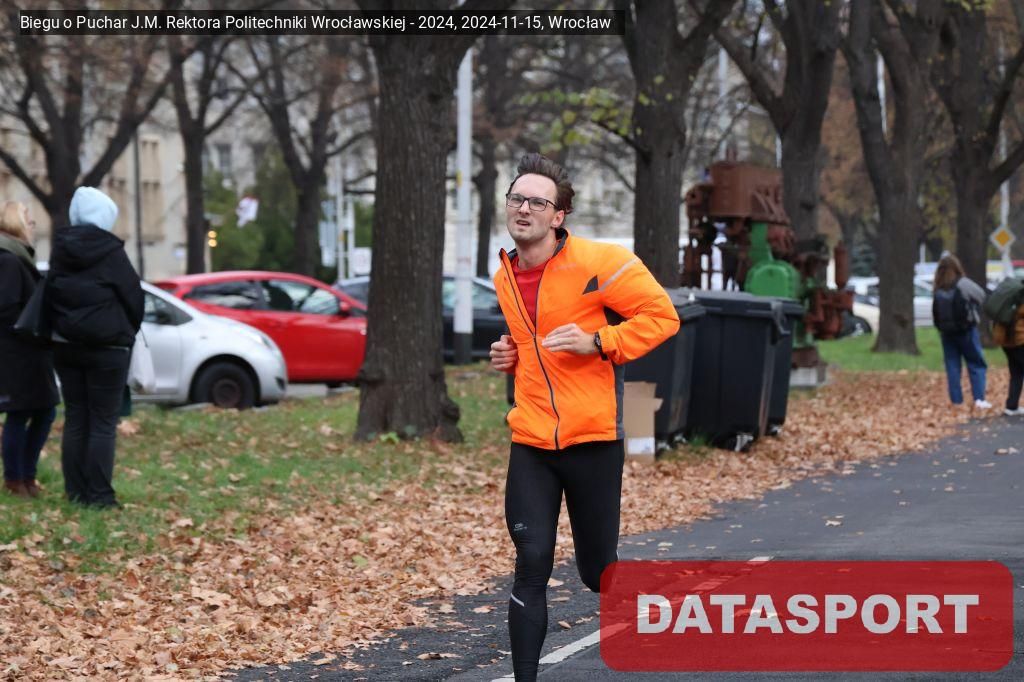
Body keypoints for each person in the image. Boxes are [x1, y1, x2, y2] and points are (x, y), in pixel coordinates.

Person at [489, 153, 680, 681]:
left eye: (537, 202)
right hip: (532, 440)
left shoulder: (601, 262)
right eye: (516, 198)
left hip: (593, 439)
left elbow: (662, 317)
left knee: (597, 573)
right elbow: (533, 345)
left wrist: (599, 341)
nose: (523, 208)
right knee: (531, 562)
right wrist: (509, 355)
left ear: (559, 216)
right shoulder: (504, 274)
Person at [46, 187, 143, 508]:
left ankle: (75, 492)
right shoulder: (111, 252)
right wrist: (127, 331)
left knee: (76, 418)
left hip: (65, 345)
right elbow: (133, 297)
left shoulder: (61, 250)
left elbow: (51, 294)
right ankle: (100, 496)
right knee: (103, 423)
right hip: (108, 347)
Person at [0, 201, 59, 498]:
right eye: (30, 221)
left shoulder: (17, 256)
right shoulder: (10, 259)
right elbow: (8, 309)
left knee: (43, 411)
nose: (33, 227)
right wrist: (33, 331)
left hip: (27, 352)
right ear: (18, 223)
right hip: (19, 353)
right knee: (21, 413)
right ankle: (16, 478)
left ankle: (25, 476)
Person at [932, 254, 990, 410]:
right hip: (966, 330)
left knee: (952, 366)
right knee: (976, 363)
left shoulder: (938, 286)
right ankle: (979, 399)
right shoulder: (962, 283)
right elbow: (981, 295)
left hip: (946, 333)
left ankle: (956, 401)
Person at [992, 290, 1024, 416]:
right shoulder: (1020, 303)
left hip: (1006, 341)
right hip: (1019, 340)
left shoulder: (1009, 298)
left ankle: (1011, 406)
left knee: (1016, 373)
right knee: (1017, 373)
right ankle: (1011, 406)